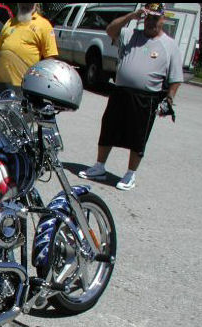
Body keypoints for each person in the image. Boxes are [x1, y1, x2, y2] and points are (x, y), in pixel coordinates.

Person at [79, 3, 183, 191]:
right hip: (120, 92)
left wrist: (169, 99)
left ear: (163, 19)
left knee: (138, 137)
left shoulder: (170, 45)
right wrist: (131, 16)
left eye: (155, 18)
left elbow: (176, 79)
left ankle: (130, 174)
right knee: (108, 128)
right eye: (148, 17)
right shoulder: (130, 34)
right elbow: (110, 30)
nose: (151, 22)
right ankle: (99, 166)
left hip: (146, 98)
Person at [0, 3, 58, 127]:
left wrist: (45, 81)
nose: (24, 5)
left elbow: (50, 57)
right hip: (0, 82)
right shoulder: (10, 23)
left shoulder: (44, 25)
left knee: (17, 121)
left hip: (23, 86)